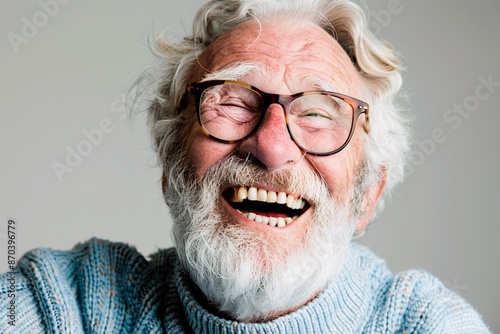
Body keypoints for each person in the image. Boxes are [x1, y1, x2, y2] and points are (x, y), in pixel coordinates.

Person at [0, 0, 490, 332]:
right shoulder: (71, 305)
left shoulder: (429, 324)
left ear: (368, 194)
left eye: (319, 114)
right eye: (231, 103)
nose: (272, 146)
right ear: (172, 167)